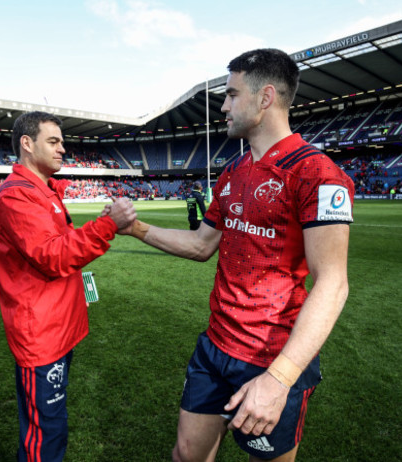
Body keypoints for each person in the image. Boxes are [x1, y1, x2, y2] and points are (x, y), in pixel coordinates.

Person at [119, 49, 354, 461]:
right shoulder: (232, 171)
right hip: (214, 348)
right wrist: (135, 228)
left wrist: (279, 380)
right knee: (186, 455)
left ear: (265, 98)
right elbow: (201, 245)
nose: (223, 106)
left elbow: (333, 284)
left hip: (270, 359)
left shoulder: (317, 174)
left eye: (230, 94)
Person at [0, 111, 136, 462]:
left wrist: (101, 224)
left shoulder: (43, 192)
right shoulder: (17, 197)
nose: (62, 150)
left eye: (62, 142)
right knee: (46, 434)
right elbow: (53, 256)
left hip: (56, 328)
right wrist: (108, 226)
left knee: (52, 424)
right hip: (40, 335)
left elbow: (62, 244)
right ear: (27, 144)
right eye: (53, 142)